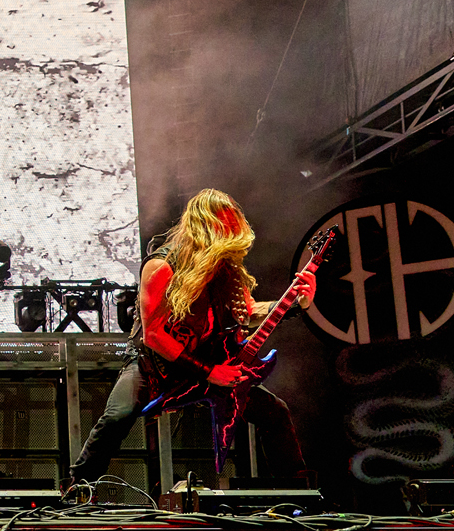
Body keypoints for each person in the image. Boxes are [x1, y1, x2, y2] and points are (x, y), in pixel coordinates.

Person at [68, 189, 317, 495]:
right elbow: (154, 334)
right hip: (155, 364)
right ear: (205, 228)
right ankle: (77, 488)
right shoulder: (161, 265)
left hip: (208, 362)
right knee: (119, 415)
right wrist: (210, 372)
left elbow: (248, 312)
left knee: (275, 411)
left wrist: (294, 303)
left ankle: (299, 496)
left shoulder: (226, 269)